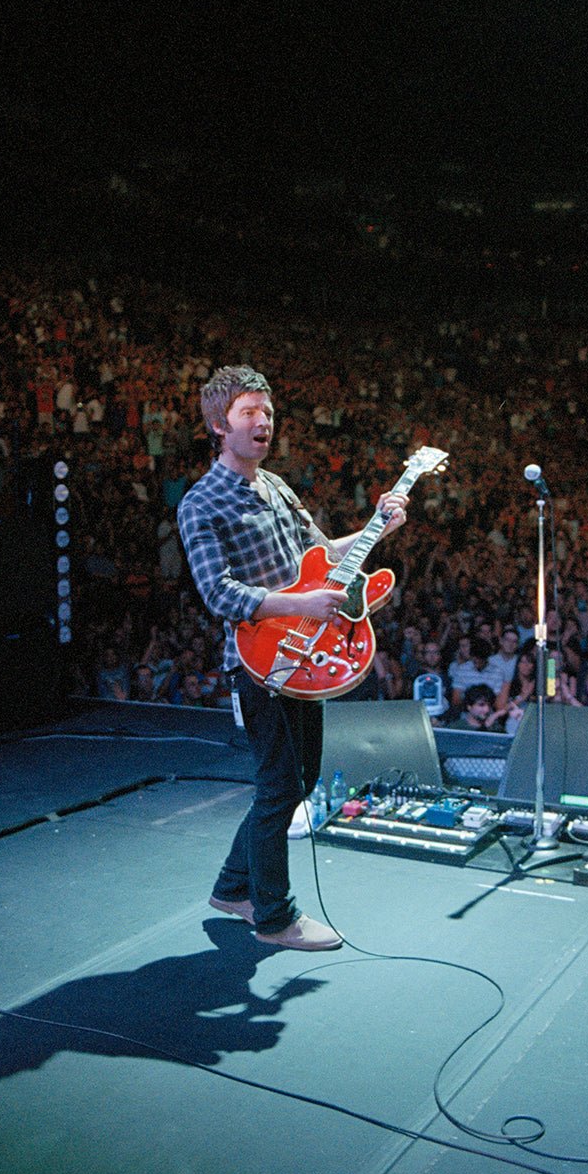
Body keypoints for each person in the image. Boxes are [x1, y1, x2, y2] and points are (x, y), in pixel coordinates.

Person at [178, 366, 409, 952]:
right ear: (217, 425)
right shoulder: (201, 503)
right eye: (249, 414)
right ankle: (274, 917)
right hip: (261, 664)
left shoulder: (277, 486)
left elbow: (323, 553)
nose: (263, 423)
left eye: (268, 413)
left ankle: (233, 886)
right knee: (280, 784)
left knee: (297, 778)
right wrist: (303, 601)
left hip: (306, 656)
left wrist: (376, 525)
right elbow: (219, 594)